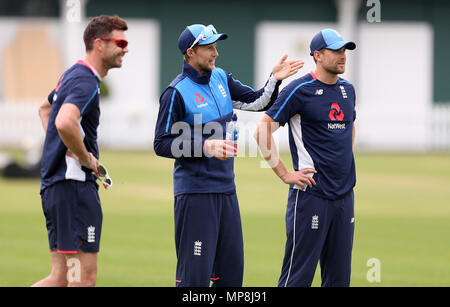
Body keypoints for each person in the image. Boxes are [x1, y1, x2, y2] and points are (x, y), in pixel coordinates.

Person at [154, 24, 303, 287]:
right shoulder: (175, 92)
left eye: (216, 47)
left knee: (231, 278)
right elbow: (161, 143)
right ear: (190, 52)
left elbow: (258, 101)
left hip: (227, 193)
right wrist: (205, 147)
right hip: (195, 195)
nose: (216, 53)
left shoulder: (221, 78)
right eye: (209, 47)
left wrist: (274, 79)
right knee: (194, 281)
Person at [254, 28, 357, 287]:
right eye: (336, 50)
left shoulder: (348, 90)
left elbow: (349, 126)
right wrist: (285, 174)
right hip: (311, 196)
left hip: (345, 197)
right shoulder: (299, 89)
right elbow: (262, 130)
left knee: (339, 280)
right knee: (297, 279)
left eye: (344, 50)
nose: (342, 55)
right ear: (318, 55)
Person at [32, 15, 128, 287]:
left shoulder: (72, 73)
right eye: (120, 42)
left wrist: (61, 147)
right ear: (99, 44)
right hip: (73, 189)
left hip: (58, 188)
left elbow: (45, 109)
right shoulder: (86, 80)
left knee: (61, 277)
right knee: (82, 279)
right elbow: (63, 121)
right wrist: (84, 157)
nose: (125, 48)